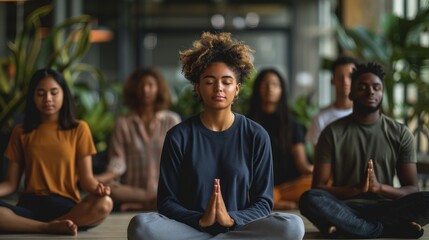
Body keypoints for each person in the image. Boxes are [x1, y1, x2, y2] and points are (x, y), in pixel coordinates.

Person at [127, 32, 305, 240]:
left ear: (236, 89)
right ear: (198, 87)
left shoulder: (256, 135)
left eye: (226, 82)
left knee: (293, 226)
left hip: (238, 228)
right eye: (210, 81)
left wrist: (231, 219)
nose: (218, 88)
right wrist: (200, 220)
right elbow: (166, 201)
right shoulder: (179, 136)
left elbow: (264, 202)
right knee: (140, 226)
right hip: (192, 229)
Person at [299, 62, 429, 238]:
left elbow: (412, 188)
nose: (370, 92)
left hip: (387, 207)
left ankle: (356, 229)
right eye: (362, 87)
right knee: (309, 199)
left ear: (382, 92)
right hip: (344, 207)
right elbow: (318, 188)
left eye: (377, 87)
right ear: (351, 93)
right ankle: (386, 230)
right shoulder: (332, 133)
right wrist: (356, 189)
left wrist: (379, 188)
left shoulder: (400, 133)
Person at [0, 69, 113, 235]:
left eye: (54, 93)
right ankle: (49, 227)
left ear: (64, 95)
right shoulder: (21, 131)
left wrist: (99, 189)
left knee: (105, 203)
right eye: (41, 93)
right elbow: (11, 184)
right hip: (30, 206)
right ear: (32, 97)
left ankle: (53, 223)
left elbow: (87, 180)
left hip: (66, 206)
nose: (48, 99)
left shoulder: (79, 129)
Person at [96, 67, 181, 211]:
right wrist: (99, 179)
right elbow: (118, 161)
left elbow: (179, 161)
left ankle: (141, 205)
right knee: (110, 188)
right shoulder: (123, 123)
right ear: (133, 90)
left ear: (158, 89)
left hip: (166, 187)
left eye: (150, 85)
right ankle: (152, 202)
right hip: (133, 192)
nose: (145, 90)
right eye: (141, 86)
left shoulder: (171, 120)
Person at [247, 68, 313, 210]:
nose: (270, 88)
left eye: (275, 85)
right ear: (257, 89)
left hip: (289, 186)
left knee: (315, 185)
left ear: (282, 90)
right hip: (259, 186)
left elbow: (302, 165)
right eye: (265, 84)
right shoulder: (246, 124)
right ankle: (274, 201)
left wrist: (319, 172)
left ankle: (274, 201)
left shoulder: (292, 124)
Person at [306, 55, 358, 150]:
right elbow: (318, 159)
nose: (345, 81)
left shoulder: (365, 116)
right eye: (340, 77)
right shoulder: (320, 118)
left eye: (350, 76)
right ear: (332, 80)